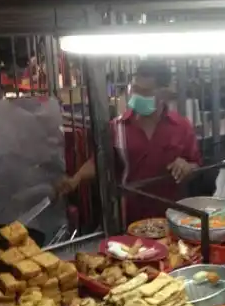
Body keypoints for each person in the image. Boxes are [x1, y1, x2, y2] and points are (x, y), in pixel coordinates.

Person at [57, 61, 201, 223]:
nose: (137, 96)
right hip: (131, 219)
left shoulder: (181, 127)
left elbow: (195, 166)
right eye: (135, 90)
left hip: (172, 217)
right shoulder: (117, 127)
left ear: (164, 94)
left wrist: (187, 167)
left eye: (145, 92)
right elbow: (99, 162)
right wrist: (76, 179)